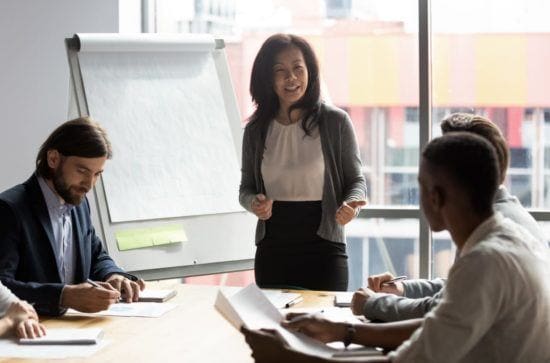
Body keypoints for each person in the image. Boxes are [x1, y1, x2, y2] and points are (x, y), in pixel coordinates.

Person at [242, 132, 550, 362]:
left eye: (421, 186)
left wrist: (289, 357)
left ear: (436, 197)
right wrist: (344, 332)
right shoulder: (506, 237)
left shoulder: (484, 261)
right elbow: (437, 325)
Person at [354, 113, 549, 322]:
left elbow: (439, 312)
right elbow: (459, 289)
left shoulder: (493, 237)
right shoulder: (496, 216)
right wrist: (401, 288)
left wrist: (372, 306)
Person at [239, 33, 367, 291]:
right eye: (280, 70)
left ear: (310, 71)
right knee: (273, 328)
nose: (291, 78)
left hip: (324, 246)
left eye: (298, 68)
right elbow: (245, 189)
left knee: (327, 327)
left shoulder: (335, 122)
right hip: (273, 248)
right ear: (267, 77)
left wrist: (351, 204)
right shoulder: (255, 130)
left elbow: (356, 180)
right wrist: (254, 203)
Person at [0, 117, 146, 316]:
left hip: (77, 330)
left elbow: (95, 254)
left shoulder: (79, 202)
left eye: (97, 174)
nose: (89, 184)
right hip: (29, 333)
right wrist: (63, 296)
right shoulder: (9, 209)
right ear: (53, 159)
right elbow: (2, 285)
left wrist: (112, 274)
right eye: (82, 170)